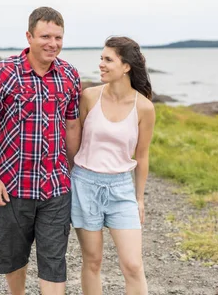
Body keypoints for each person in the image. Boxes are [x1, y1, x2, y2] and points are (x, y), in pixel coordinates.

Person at [0, 6, 82, 295]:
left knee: (54, 262)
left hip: (56, 187)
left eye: (58, 37)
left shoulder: (69, 75)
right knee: (13, 258)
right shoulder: (2, 72)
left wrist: (70, 173)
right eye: (45, 36)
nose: (53, 43)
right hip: (13, 186)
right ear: (29, 36)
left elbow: (72, 127)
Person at [71, 36, 156, 295]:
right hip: (84, 184)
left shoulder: (144, 107)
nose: (101, 64)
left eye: (108, 59)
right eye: (101, 58)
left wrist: (139, 198)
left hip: (121, 190)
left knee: (132, 265)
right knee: (93, 261)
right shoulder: (88, 97)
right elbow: (73, 142)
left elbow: (142, 156)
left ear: (126, 66)